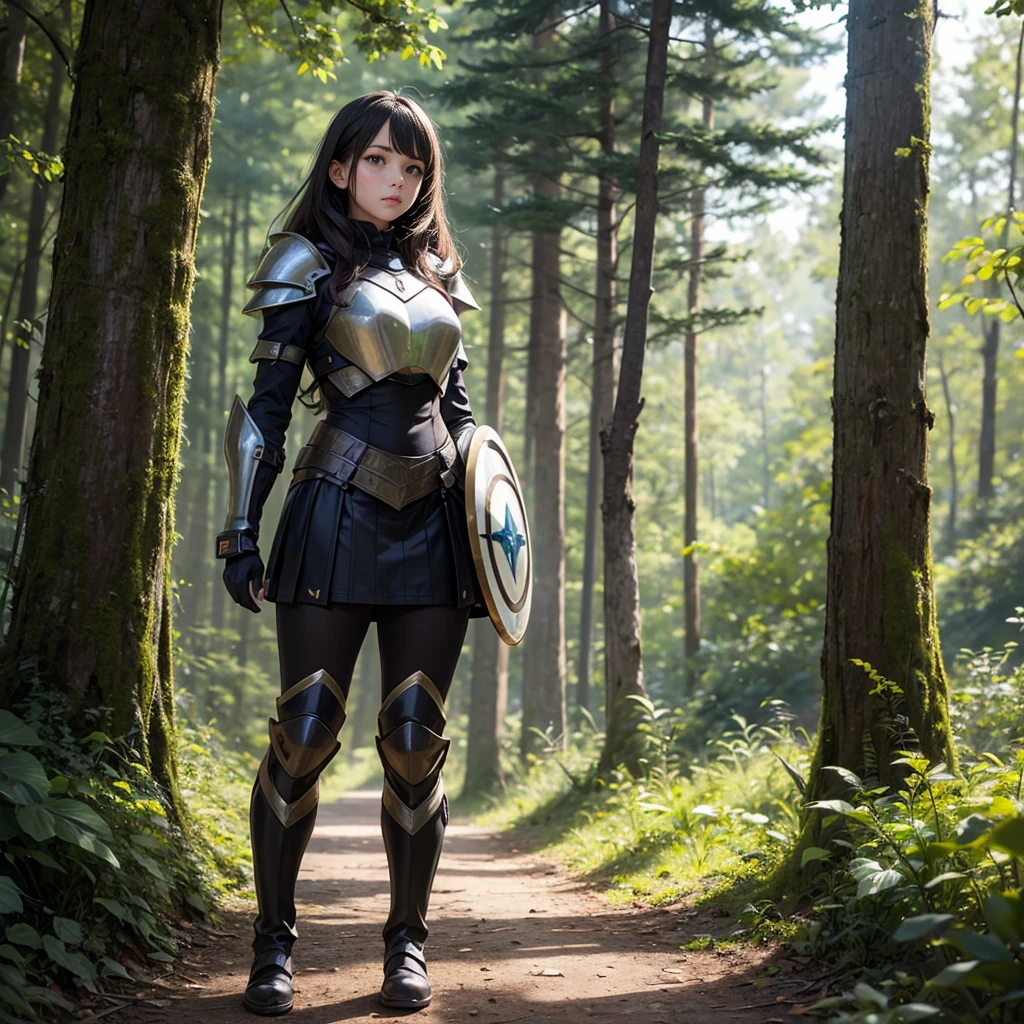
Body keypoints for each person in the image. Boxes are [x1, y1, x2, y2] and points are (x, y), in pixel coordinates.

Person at [214, 90, 488, 1017]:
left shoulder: (445, 276)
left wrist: (495, 542)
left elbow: (461, 420)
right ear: (340, 168)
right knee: (306, 734)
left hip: (437, 529)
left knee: (416, 745)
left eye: (411, 168)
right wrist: (239, 529)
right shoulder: (305, 266)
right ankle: (273, 945)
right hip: (332, 511)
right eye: (378, 161)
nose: (395, 180)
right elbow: (264, 413)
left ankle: (407, 945)